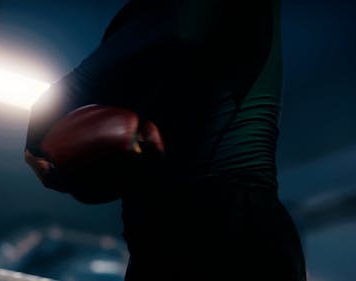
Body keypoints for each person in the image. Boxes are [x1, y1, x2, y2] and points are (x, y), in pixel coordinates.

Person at [24, 0, 307, 280]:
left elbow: (181, 29)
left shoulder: (167, 20)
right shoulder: (137, 18)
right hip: (159, 234)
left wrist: (57, 102)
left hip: (224, 226)